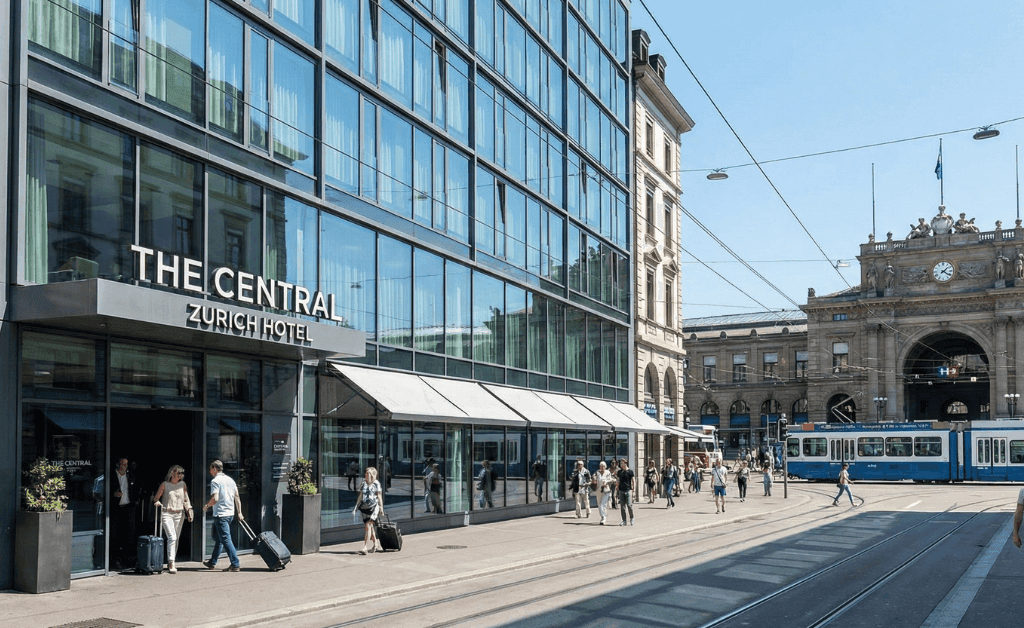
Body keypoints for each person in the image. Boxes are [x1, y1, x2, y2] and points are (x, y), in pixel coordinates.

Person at [202, 460, 243, 572]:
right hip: (230, 513)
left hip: (221, 514)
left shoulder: (215, 481)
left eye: (210, 469)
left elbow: (215, 499)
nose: (210, 472)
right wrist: (239, 512)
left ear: (215, 468)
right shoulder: (230, 480)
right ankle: (212, 562)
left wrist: (206, 506)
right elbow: (237, 497)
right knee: (219, 539)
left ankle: (235, 563)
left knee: (225, 539)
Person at [152, 465, 193, 574]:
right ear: (172, 473)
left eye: (181, 473)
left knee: (176, 539)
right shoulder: (165, 485)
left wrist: (189, 510)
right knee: (172, 537)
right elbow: (156, 498)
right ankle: (171, 562)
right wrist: (157, 502)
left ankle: (172, 559)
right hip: (167, 514)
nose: (180, 475)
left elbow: (186, 499)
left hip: (179, 515)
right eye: (178, 472)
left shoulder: (182, 484)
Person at [110, 457, 137, 570]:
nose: (125, 467)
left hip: (128, 508)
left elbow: (135, 489)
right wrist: (114, 494)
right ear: (118, 465)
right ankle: (114, 560)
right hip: (115, 509)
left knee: (129, 534)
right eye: (123, 464)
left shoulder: (130, 476)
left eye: (126, 464)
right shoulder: (112, 476)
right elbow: (105, 490)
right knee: (115, 535)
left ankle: (128, 560)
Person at [352, 467, 383, 554]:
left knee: (368, 525)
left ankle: (365, 547)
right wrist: (356, 507)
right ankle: (375, 544)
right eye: (366, 473)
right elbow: (361, 496)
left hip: (374, 508)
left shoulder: (376, 484)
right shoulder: (363, 483)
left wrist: (381, 508)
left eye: (368, 473)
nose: (366, 475)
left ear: (372, 476)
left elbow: (379, 496)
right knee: (371, 527)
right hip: (365, 508)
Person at [617, 459, 635, 526]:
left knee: (629, 505)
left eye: (622, 463)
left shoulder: (630, 472)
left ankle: (632, 518)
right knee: (622, 506)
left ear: (625, 463)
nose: (621, 465)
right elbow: (618, 480)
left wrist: (634, 490)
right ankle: (624, 520)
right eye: (621, 463)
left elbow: (633, 481)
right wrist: (617, 488)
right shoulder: (619, 472)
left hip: (628, 490)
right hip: (621, 490)